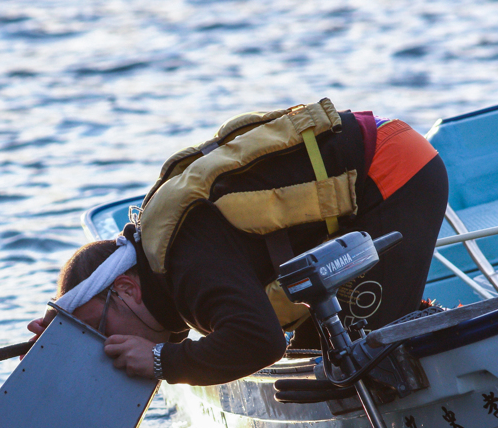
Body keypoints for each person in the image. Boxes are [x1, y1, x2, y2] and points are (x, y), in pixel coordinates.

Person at [28, 100, 449, 387]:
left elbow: (259, 342)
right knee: (310, 365)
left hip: (394, 175)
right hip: (376, 166)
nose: (105, 346)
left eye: (98, 330)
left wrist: (161, 361)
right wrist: (64, 343)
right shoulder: (163, 259)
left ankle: (424, 325)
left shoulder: (186, 265)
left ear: (125, 288)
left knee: (358, 366)